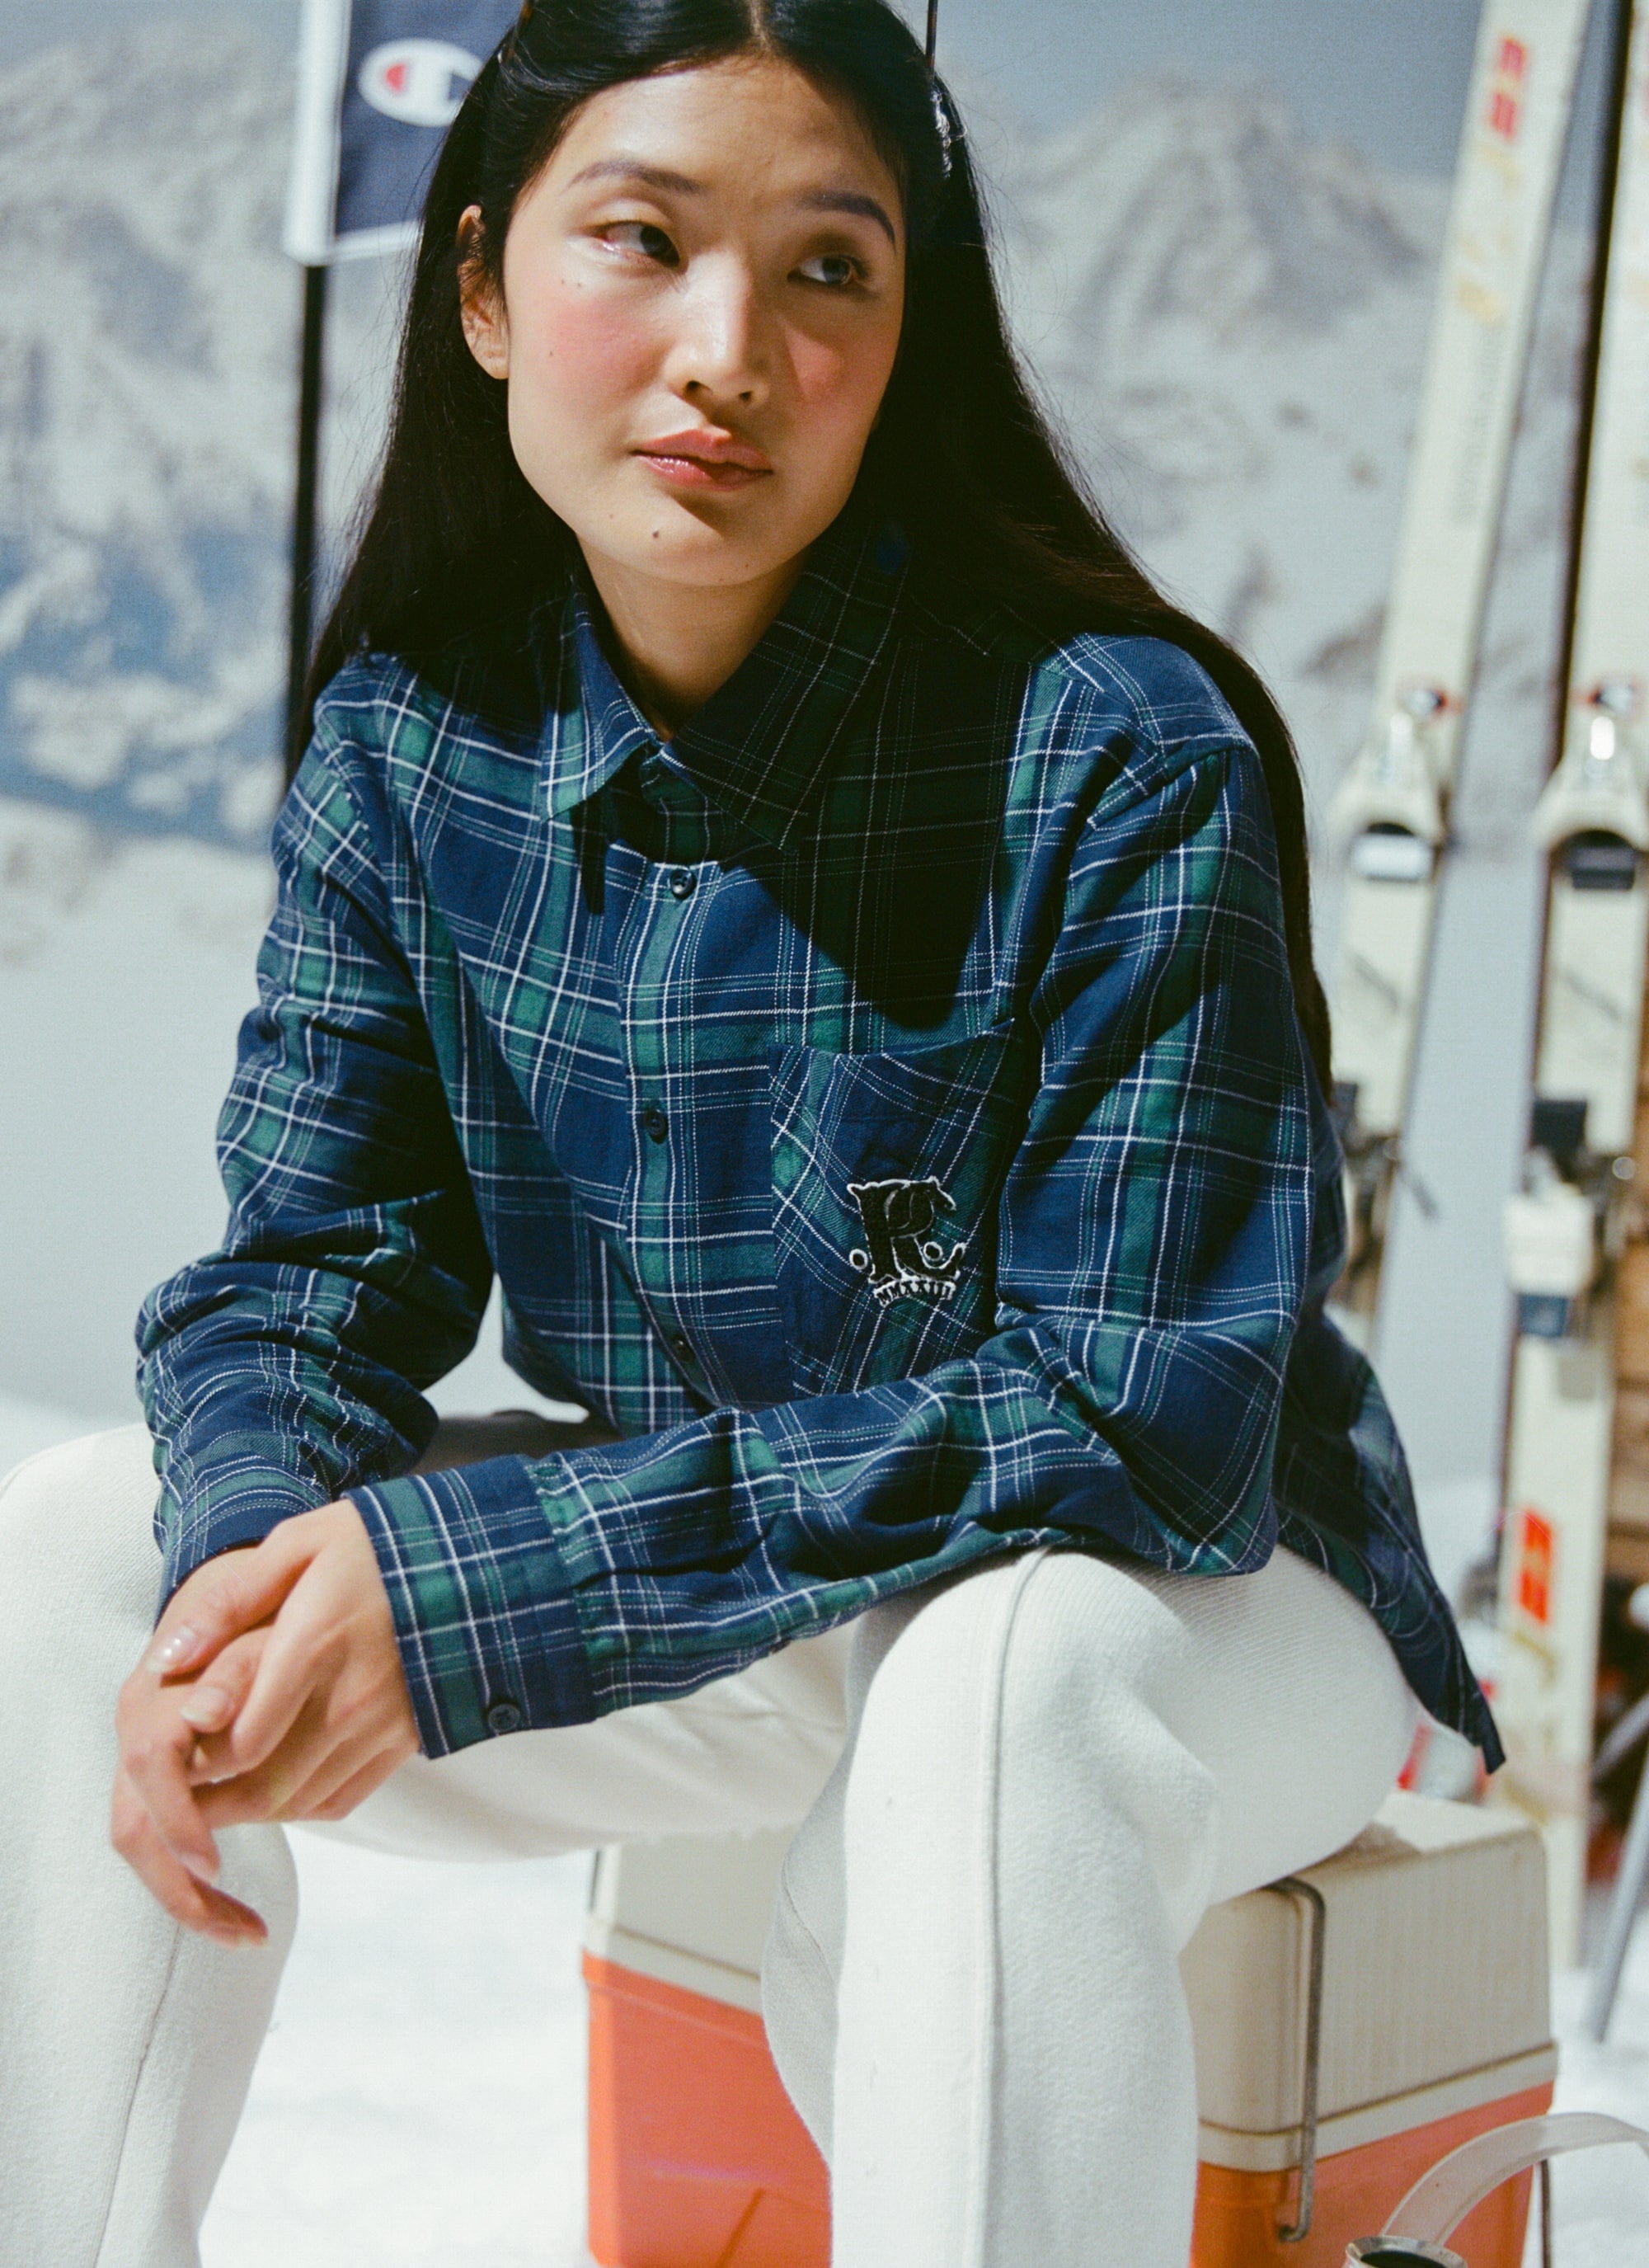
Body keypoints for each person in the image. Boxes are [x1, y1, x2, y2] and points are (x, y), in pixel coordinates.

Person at [0, 2, 1500, 2262]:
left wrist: (478, 1595)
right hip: (755, 1586)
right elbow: (311, 1271)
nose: (730, 351)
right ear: (483, 284)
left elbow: (1138, 1415)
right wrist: (248, 1578)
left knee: (995, 1686)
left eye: (828, 269)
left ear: (908, 336)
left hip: (1180, 1607)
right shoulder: (417, 739)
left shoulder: (1114, 751)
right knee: (83, 1560)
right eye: (645, 238)